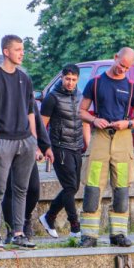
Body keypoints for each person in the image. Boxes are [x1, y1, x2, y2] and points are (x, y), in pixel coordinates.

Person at [78, 47, 134, 248]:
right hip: (100, 137)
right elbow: (81, 111)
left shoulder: (132, 88)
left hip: (123, 139)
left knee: (122, 187)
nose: (122, 70)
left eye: (127, 68)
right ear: (115, 57)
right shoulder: (95, 83)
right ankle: (88, 236)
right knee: (92, 186)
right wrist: (94, 120)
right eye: (121, 65)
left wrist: (128, 123)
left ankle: (118, 234)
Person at [0, 34, 42, 250]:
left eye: (22, 49)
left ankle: (18, 233)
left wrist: (34, 140)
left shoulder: (25, 78)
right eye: (18, 49)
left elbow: (30, 111)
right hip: (3, 141)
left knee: (21, 189)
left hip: (25, 141)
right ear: (6, 52)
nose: (22, 53)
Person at [39, 64, 91, 239]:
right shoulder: (52, 98)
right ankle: (75, 227)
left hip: (77, 146)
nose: (70, 82)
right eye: (67, 79)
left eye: (73, 79)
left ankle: (49, 217)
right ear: (61, 77)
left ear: (78, 79)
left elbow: (85, 123)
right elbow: (42, 125)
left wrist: (88, 146)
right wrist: (43, 148)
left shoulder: (80, 96)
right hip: (59, 147)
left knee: (73, 187)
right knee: (69, 187)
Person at [2, 98, 54, 243]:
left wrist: (44, 146)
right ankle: (11, 229)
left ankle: (25, 218)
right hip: (6, 143)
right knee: (10, 189)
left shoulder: (25, 89)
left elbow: (37, 120)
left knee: (34, 189)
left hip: (26, 145)